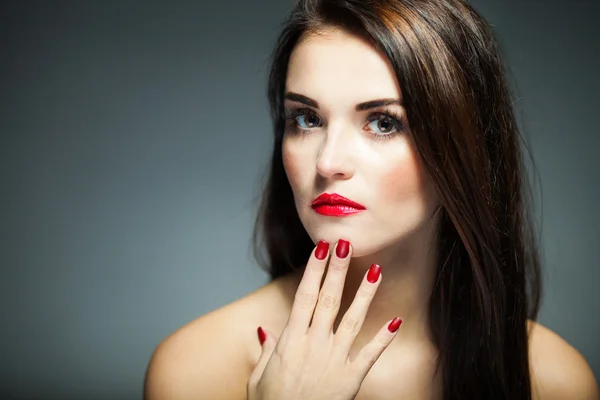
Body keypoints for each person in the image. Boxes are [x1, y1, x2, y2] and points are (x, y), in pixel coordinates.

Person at [143, 0, 599, 399]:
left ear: (463, 148)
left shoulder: (554, 380)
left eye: (383, 122)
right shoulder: (198, 370)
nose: (328, 162)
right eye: (305, 119)